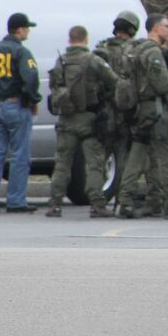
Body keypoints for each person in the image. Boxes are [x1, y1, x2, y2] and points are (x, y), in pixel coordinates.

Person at [121, 14, 168, 220]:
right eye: (167, 26)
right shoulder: (153, 52)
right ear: (155, 28)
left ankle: (125, 201)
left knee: (137, 155)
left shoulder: (134, 49)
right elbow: (163, 85)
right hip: (154, 111)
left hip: (139, 110)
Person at [45, 25, 122, 218]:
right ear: (86, 39)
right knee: (94, 164)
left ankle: (54, 204)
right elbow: (114, 82)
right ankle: (97, 204)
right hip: (89, 119)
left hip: (66, 119)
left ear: (69, 39)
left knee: (62, 163)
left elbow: (54, 87)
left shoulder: (60, 61)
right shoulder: (93, 60)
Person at [0, 12, 41, 212]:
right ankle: (16, 201)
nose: (28, 31)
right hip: (15, 105)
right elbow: (30, 78)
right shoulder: (21, 52)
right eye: (27, 28)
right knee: (20, 155)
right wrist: (32, 100)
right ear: (20, 29)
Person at [94, 10, 143, 208]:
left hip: (103, 111)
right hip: (124, 111)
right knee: (123, 154)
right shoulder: (133, 50)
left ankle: (96, 198)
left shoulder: (101, 49)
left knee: (101, 157)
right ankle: (122, 198)